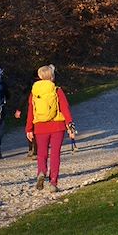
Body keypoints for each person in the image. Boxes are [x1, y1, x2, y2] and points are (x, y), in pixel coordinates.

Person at [25, 65, 76, 193]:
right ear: (52, 76)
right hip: (57, 126)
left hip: (40, 127)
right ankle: (53, 182)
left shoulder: (34, 92)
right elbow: (65, 108)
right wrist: (70, 125)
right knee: (55, 154)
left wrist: (29, 129)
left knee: (41, 152)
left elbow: (31, 111)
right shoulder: (57, 90)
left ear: (40, 76)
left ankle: (41, 171)